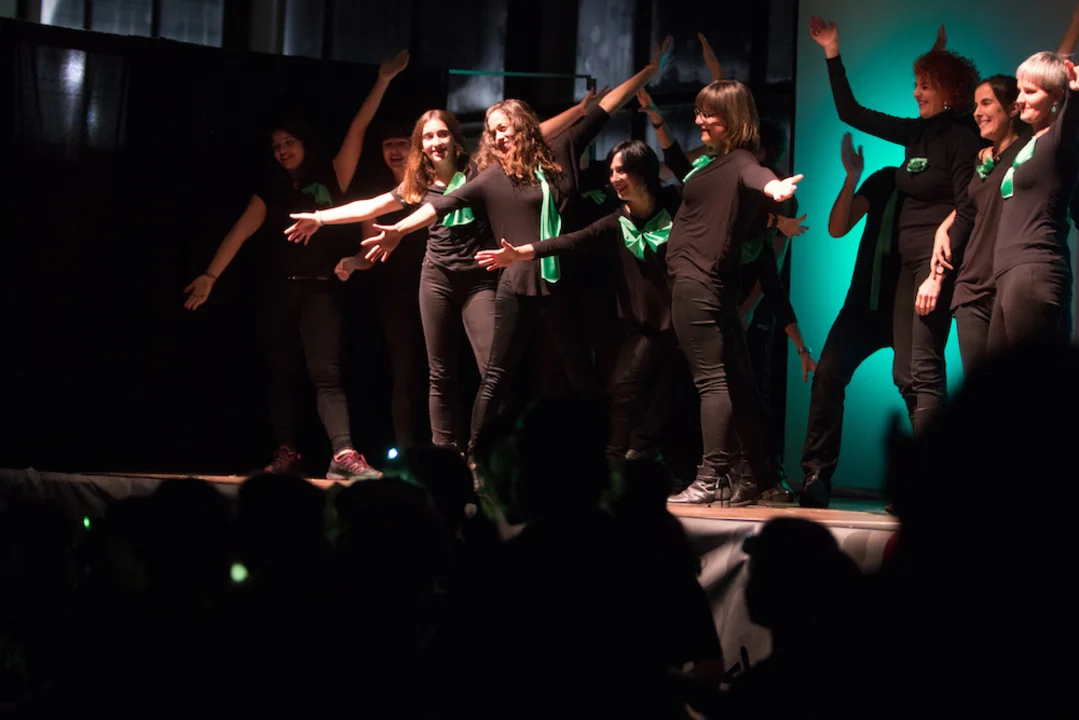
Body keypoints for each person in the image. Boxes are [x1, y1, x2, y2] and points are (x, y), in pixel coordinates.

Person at [360, 38, 675, 457]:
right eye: (492, 132)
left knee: (581, 375)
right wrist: (399, 230)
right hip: (516, 284)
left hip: (558, 282)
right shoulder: (492, 176)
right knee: (496, 377)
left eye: (503, 128)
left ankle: (604, 456)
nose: (498, 136)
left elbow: (605, 107)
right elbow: (441, 205)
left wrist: (648, 73)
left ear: (522, 126)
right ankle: (476, 456)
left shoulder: (560, 152)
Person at [286, 90, 613, 453]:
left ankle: (497, 450)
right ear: (421, 146)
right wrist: (320, 218)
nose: (435, 142)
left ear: (456, 140)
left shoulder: (480, 169)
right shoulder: (418, 183)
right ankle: (444, 453)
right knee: (440, 374)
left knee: (493, 370)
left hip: (479, 280)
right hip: (437, 278)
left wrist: (579, 110)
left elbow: (534, 132)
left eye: (442, 134)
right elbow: (370, 206)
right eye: (428, 137)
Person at [181, 50, 409, 479]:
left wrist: (382, 80)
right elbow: (238, 233)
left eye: (289, 142)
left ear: (305, 143)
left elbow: (358, 127)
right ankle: (285, 454)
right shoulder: (270, 190)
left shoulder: (334, 174)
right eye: (276, 146)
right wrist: (211, 275)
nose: (282, 150)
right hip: (279, 291)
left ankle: (343, 454)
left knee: (326, 373)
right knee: (281, 374)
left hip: (321, 290)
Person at [809, 16, 980, 436]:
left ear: (949, 92)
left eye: (925, 85)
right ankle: (929, 464)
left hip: (935, 265)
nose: (915, 92)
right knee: (905, 373)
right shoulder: (915, 133)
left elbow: (968, 205)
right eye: (916, 84)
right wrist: (832, 51)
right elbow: (851, 112)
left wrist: (937, 275)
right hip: (907, 265)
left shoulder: (963, 137)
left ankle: (936, 470)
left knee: (922, 371)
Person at [475, 139, 682, 463]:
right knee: (623, 387)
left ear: (643, 172)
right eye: (611, 171)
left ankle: (648, 454)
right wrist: (521, 253)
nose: (614, 178)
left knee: (675, 391)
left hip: (685, 318)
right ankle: (619, 460)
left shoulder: (675, 201)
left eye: (622, 170)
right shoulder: (616, 221)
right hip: (647, 324)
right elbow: (571, 241)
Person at [657, 79, 802, 507]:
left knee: (712, 380)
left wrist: (774, 189)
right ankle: (756, 476)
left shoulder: (740, 160)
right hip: (708, 282)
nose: (699, 120)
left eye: (709, 114)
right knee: (736, 381)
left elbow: (757, 175)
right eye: (698, 111)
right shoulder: (714, 162)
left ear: (733, 119)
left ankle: (711, 476)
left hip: (700, 281)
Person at [799, 135, 905, 508]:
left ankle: (922, 485)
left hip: (909, 305)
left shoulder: (943, 184)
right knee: (827, 376)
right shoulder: (886, 178)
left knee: (917, 384)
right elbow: (837, 227)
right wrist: (851, 178)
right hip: (862, 304)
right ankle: (816, 476)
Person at [985, 52, 1079, 351]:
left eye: (1030, 91)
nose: (1020, 99)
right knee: (1003, 378)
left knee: (1034, 375)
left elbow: (1072, 116)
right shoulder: (1031, 144)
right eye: (1020, 90)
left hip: (1034, 269)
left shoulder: (1057, 142)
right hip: (1009, 274)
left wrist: (1075, 92)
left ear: (1056, 98)